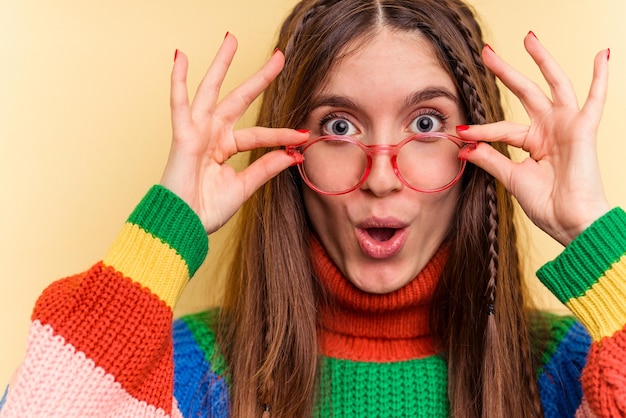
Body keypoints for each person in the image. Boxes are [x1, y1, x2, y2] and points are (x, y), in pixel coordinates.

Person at [1, 0, 624, 416]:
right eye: (339, 127)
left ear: (482, 147)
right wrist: (167, 229)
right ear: (287, 148)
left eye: (427, 122)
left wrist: (591, 229)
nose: (380, 178)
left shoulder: (568, 370)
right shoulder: (191, 373)